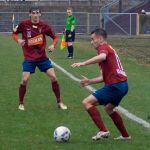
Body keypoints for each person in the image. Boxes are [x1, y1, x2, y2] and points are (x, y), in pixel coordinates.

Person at [72, 28, 131, 140]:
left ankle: (103, 130)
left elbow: (102, 57)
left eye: (93, 39)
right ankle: (125, 136)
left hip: (115, 85)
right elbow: (103, 77)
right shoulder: (108, 49)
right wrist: (89, 81)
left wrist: (83, 63)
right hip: (123, 85)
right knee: (109, 108)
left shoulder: (103, 48)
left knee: (87, 102)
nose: (91, 42)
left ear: (100, 39)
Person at [12, 6, 67, 110]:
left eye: (37, 13)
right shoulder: (24, 24)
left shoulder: (44, 25)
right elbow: (14, 34)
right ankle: (21, 103)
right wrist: (18, 40)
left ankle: (59, 102)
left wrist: (53, 45)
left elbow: (55, 38)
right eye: (33, 13)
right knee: (24, 80)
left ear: (40, 14)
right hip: (29, 58)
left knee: (54, 78)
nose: (35, 15)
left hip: (42, 57)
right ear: (30, 14)